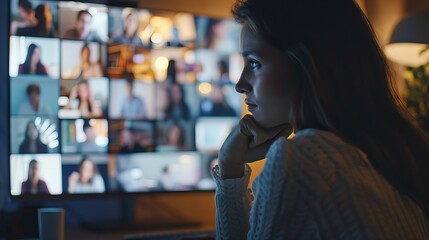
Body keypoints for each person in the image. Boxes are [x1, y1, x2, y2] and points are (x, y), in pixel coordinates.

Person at [215, 0, 429, 239]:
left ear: (305, 63)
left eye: (254, 63)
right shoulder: (396, 152)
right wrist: (230, 167)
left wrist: (229, 171)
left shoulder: (301, 161)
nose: (240, 85)